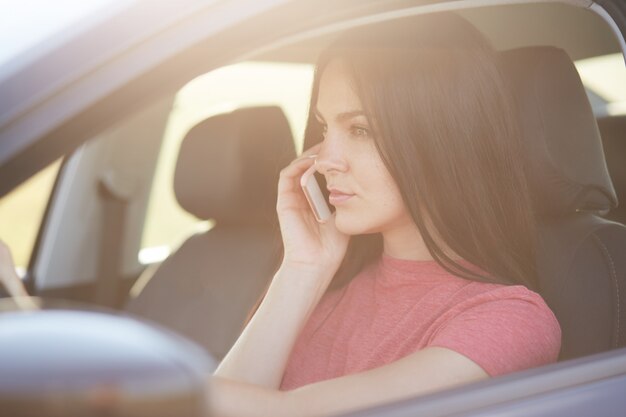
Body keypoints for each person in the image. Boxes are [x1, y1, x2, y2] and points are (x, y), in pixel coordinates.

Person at [0, 13, 561, 417]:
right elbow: (234, 399)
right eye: (324, 127)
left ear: (444, 141)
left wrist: (63, 358)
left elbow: (283, 414)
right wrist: (304, 267)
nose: (325, 158)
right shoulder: (325, 282)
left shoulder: (508, 319)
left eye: (359, 129)